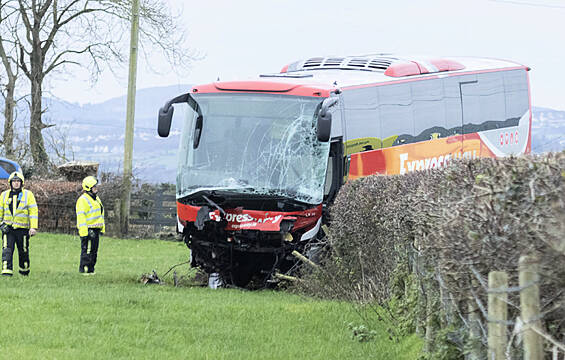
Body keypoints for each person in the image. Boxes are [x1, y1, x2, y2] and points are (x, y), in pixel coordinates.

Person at [0, 171, 38, 276]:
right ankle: (6, 272)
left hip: (23, 230)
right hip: (8, 229)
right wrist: (1, 225)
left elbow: (33, 212)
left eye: (18, 181)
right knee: (7, 250)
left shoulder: (28, 195)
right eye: (14, 181)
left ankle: (24, 271)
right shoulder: (4, 195)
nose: (16, 183)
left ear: (22, 183)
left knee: (23, 251)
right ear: (10, 183)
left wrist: (33, 227)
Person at [75, 176, 105, 275]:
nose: (96, 188)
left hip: (96, 229)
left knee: (94, 251)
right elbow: (81, 217)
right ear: (88, 188)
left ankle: (91, 269)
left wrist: (101, 228)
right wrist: (84, 232)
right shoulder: (83, 200)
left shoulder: (96, 199)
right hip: (87, 229)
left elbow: (100, 213)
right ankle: (83, 269)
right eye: (94, 186)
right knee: (86, 250)